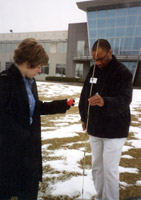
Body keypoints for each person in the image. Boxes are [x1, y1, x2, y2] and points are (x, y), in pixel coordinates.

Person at [0, 38, 73, 200]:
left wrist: (60, 105)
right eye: (39, 66)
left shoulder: (30, 81)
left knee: (29, 191)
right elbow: (3, 119)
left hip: (29, 152)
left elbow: (35, 108)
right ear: (27, 63)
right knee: (6, 190)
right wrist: (24, 135)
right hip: (10, 153)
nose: (40, 70)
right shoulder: (5, 81)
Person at [79, 39, 133, 200]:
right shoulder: (94, 70)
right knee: (97, 167)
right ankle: (100, 196)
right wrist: (84, 116)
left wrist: (105, 102)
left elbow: (125, 99)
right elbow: (84, 94)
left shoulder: (123, 73)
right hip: (95, 128)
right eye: (94, 59)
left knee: (109, 169)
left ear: (110, 52)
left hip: (115, 130)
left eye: (101, 58)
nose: (98, 62)